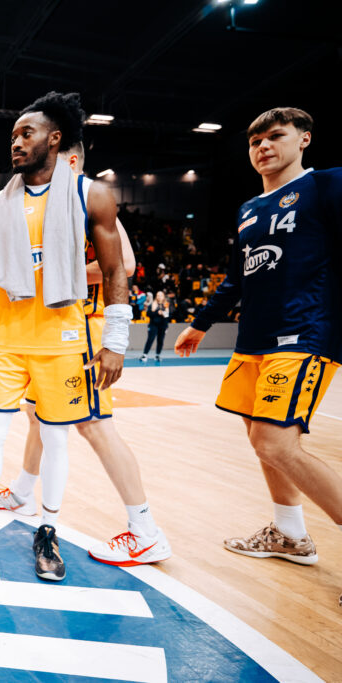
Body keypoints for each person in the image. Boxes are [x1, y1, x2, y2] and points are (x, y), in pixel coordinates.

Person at [0, 92, 128, 582]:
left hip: (63, 341)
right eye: (13, 136)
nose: (16, 142)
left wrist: (116, 340)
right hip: (5, 339)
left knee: (56, 439)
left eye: (27, 133)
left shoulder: (92, 196)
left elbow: (114, 271)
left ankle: (48, 531)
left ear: (55, 138)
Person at [174, 107, 342, 605]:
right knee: (260, 441)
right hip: (254, 341)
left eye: (275, 136)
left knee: (276, 444)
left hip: (305, 333)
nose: (263, 146)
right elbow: (237, 277)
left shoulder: (327, 185)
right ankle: (290, 534)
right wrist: (201, 322)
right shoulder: (250, 208)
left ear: (304, 139)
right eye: (254, 141)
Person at [0, 144, 171, 568]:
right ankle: (23, 492)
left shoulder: (88, 199)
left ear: (69, 160)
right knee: (38, 414)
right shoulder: (43, 203)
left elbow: (125, 262)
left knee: (94, 425)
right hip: (52, 329)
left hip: (85, 326)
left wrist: (58, 273)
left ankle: (145, 531)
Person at [141, 290, 170, 363]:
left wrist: (166, 326)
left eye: (161, 295)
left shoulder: (166, 305)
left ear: (163, 296)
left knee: (160, 341)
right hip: (153, 325)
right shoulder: (152, 304)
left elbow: (168, 316)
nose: (159, 297)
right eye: (158, 295)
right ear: (156, 296)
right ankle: (145, 355)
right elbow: (148, 314)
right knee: (150, 339)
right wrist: (157, 312)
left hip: (163, 326)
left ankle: (157, 355)